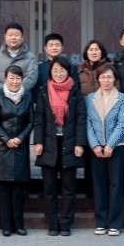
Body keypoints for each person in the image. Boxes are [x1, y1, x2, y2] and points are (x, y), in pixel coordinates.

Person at [33, 56, 85, 236]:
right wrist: (38, 141)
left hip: (69, 143)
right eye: (55, 70)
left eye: (62, 70)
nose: (59, 74)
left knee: (68, 187)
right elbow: (39, 118)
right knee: (49, 187)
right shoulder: (44, 91)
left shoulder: (75, 92)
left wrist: (80, 143)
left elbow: (81, 119)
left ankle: (66, 222)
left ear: (68, 72)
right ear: (50, 72)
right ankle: (52, 222)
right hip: (49, 143)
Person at [0, 64, 35, 237]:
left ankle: (19, 225)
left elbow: (31, 121)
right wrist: (6, 139)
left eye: (18, 78)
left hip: (20, 147)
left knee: (18, 190)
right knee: (3, 191)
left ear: (22, 80)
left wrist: (20, 138)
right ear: (5, 79)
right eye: (11, 78)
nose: (14, 81)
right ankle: (6, 226)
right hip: (1, 149)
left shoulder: (27, 96)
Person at [86, 63, 124, 236]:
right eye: (103, 77)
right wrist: (95, 145)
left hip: (116, 148)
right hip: (96, 149)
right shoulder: (91, 98)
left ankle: (114, 223)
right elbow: (88, 123)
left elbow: (122, 123)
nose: (106, 80)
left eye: (109, 77)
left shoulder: (122, 98)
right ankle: (101, 221)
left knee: (116, 186)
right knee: (99, 186)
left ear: (115, 79)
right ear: (98, 79)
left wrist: (110, 145)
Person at [0, 21, 38, 92]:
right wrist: (3, 93)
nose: (13, 38)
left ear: (22, 37)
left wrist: (18, 92)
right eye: (10, 35)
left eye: (17, 35)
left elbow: (31, 78)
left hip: (23, 96)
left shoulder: (31, 57)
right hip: (0, 97)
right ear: (5, 37)